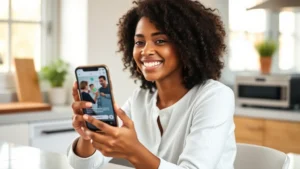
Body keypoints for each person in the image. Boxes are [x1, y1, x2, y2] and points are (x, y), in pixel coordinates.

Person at [68, 0, 236, 169]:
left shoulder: (215, 97)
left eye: (160, 41)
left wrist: (133, 151)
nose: (146, 51)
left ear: (187, 46)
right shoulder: (140, 99)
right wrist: (88, 135)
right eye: (139, 42)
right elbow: (84, 166)